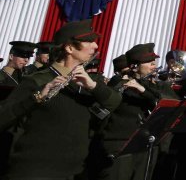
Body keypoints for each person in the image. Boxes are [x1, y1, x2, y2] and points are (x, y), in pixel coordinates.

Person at [0, 19, 122, 180]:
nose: (96, 46)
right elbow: (3, 117)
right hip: (36, 171)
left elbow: (114, 102)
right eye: (89, 41)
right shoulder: (38, 79)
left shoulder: (88, 81)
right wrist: (36, 97)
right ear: (69, 48)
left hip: (76, 171)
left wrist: (93, 86)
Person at [94, 43, 167, 180]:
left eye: (154, 62)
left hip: (145, 144)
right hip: (120, 145)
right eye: (149, 62)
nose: (154, 65)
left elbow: (161, 101)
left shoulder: (152, 85)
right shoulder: (119, 81)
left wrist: (143, 90)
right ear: (134, 66)